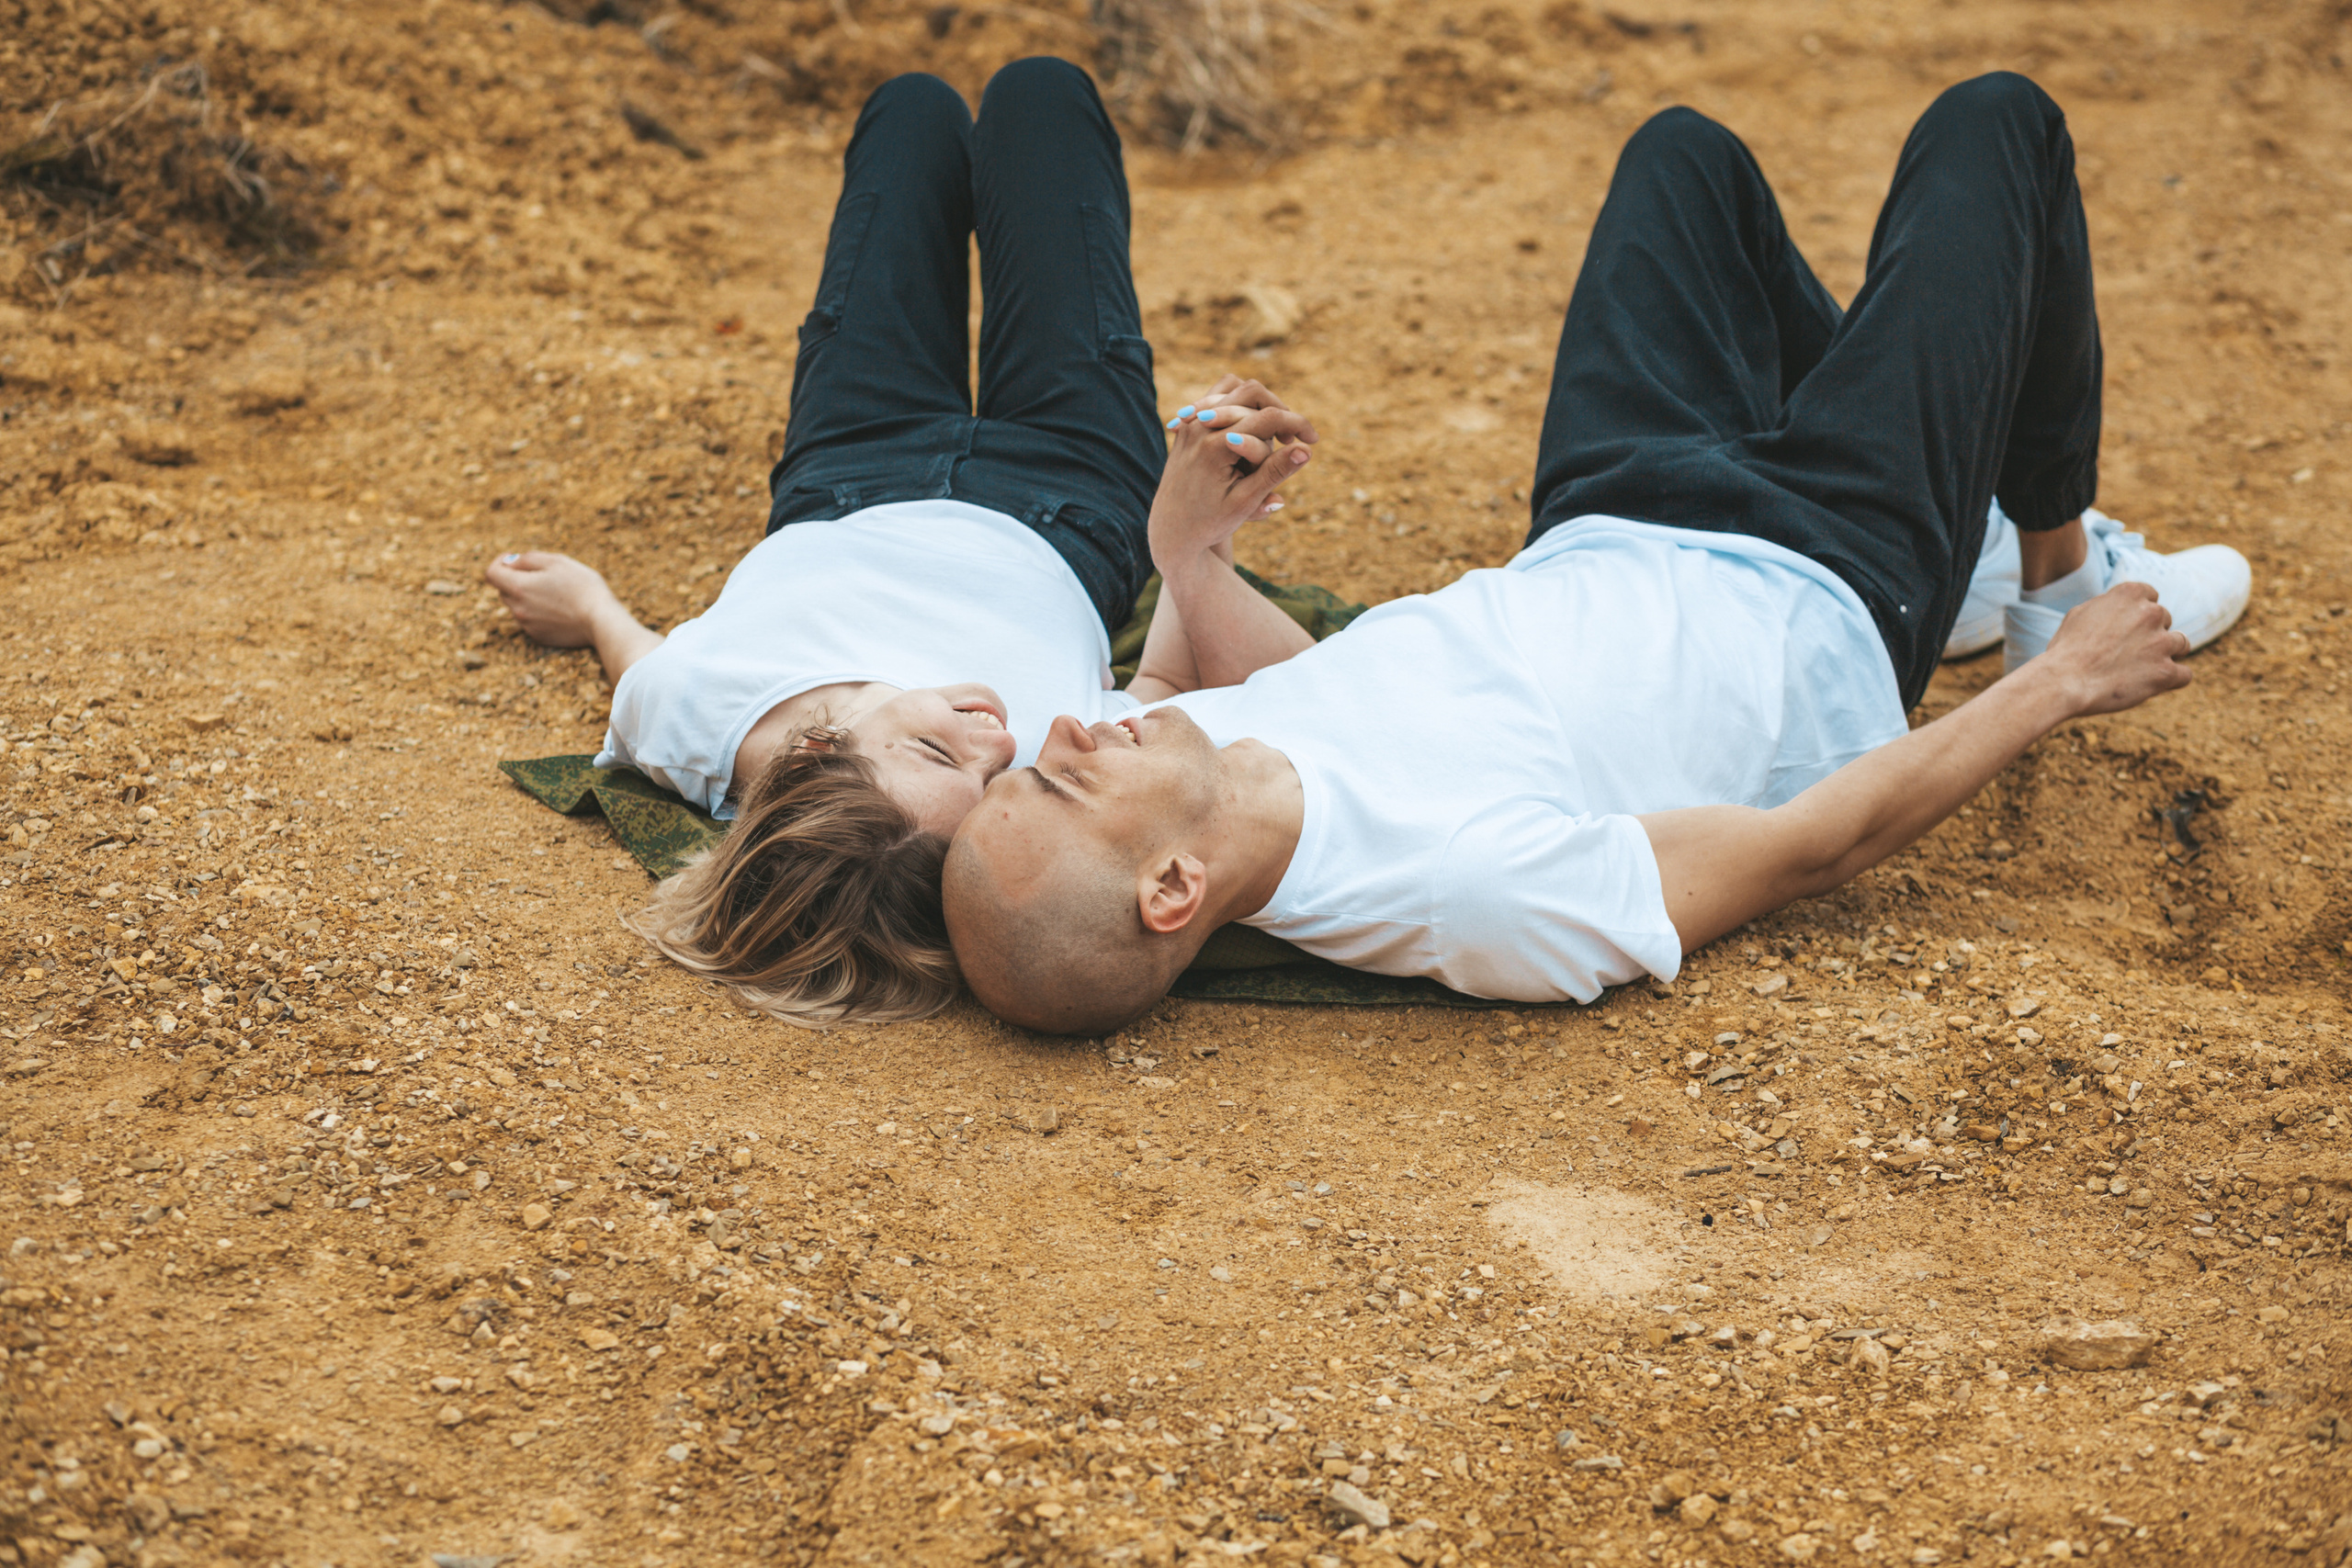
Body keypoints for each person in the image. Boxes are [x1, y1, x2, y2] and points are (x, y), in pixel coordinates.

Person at [941, 73, 2252, 1035]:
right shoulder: (1471, 892)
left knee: (1687, 161)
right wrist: (2064, 677)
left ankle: (1939, 441)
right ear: (1175, 888)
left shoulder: (1194, 763)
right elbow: (1808, 845)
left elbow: (1273, 682)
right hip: (1825, 574)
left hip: (1612, 506)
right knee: (1996, 127)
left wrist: (1192, 549)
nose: (1066, 733)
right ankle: (2053, 568)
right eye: (1060, 789)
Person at [484, 60, 1316, 1025]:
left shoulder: (692, 716)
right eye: (987, 777)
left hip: (850, 461)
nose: (995, 733)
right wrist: (1194, 536)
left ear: (810, 756)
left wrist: (590, 607)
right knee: (1042, 98)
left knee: (910, 112)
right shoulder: (1039, 777)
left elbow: (642, 670)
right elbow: (1163, 691)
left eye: (934, 745)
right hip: (1074, 493)